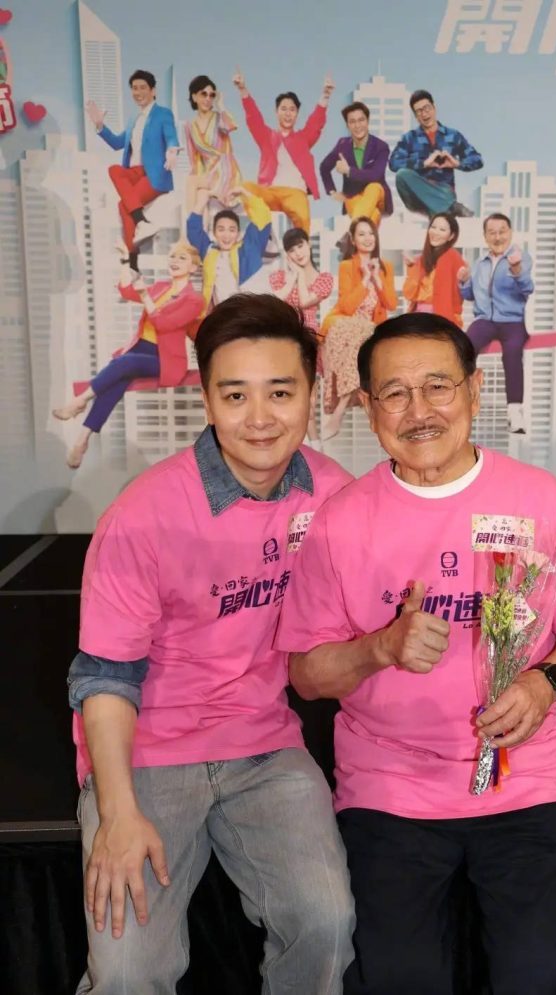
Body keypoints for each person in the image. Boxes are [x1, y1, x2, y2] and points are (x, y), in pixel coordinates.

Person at [276, 312, 556, 995]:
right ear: (369, 407)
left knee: (541, 977)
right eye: (395, 392)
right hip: (390, 790)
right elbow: (307, 677)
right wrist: (380, 647)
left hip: (525, 783)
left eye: (438, 385)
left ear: (474, 389)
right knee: (399, 979)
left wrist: (544, 683)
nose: (419, 410)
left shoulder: (537, 497)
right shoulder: (340, 520)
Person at [67, 293, 356, 995]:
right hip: (148, 754)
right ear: (206, 399)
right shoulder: (143, 515)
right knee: (127, 972)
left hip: (264, 745)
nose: (259, 418)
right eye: (235, 394)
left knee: (325, 924)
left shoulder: (334, 495)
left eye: (280, 392)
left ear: (311, 393)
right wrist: (118, 812)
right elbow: (105, 676)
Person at [53, 240, 204, 470]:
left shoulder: (194, 300)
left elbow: (163, 324)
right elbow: (126, 290)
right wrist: (125, 260)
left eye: (182, 258)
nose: (174, 261)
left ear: (193, 267)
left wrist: (145, 295)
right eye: (173, 256)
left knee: (125, 363)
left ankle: (79, 400)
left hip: (165, 359)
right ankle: (82, 439)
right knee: (116, 382)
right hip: (139, 349)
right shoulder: (160, 287)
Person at [320, 216, 397, 440]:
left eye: (371, 233)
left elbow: (391, 303)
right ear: (353, 240)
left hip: (371, 328)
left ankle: (340, 409)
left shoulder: (386, 267)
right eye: (361, 234)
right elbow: (347, 306)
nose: (367, 238)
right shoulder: (346, 266)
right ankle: (344, 407)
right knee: (351, 335)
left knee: (364, 337)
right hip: (346, 324)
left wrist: (377, 278)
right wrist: (364, 279)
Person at [86, 69, 180, 251]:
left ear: (153, 90)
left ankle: (132, 258)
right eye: (134, 88)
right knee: (114, 170)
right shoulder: (133, 120)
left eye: (143, 87)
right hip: (133, 173)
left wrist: (172, 150)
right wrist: (99, 125)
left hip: (153, 175)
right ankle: (141, 225)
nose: (138, 92)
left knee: (124, 206)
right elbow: (117, 143)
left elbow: (171, 135)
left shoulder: (163, 114)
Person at [459, 212, 534, 434]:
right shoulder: (479, 263)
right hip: (485, 320)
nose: (498, 237)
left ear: (510, 233)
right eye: (492, 232)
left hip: (512, 320)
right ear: (485, 236)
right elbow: (470, 295)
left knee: (512, 353)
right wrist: (463, 282)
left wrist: (517, 270)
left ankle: (515, 411)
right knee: (464, 348)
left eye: (502, 231)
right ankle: (464, 401)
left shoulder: (521, 258)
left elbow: (527, 288)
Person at [233, 69, 334, 234]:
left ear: (297, 114)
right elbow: (254, 118)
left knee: (303, 218)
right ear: (276, 111)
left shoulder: (303, 138)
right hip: (270, 192)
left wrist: (326, 95)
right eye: (284, 109)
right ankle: (262, 233)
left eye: (292, 110)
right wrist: (243, 90)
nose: (288, 113)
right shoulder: (267, 136)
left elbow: (316, 123)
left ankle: (303, 248)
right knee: (246, 188)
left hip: (295, 193)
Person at [270, 228, 334, 444]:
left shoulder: (324, 279)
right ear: (287, 254)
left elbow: (305, 302)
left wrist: (299, 275)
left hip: (308, 339)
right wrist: (294, 275)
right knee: (287, 395)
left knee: (307, 397)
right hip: (282, 340)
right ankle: (307, 445)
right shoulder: (280, 277)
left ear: (309, 244)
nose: (298, 253)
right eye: (292, 250)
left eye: (300, 246)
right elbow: (277, 301)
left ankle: (314, 447)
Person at [389, 89, 482, 219]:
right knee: (402, 175)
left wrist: (457, 164)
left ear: (434, 108)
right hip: (417, 196)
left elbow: (477, 160)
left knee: (439, 221)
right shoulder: (409, 138)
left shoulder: (453, 135)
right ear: (415, 116)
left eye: (427, 108)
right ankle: (450, 207)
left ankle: (444, 209)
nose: (424, 114)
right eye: (419, 111)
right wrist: (423, 163)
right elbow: (393, 163)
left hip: (442, 192)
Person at [187, 183, 272, 311]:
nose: (226, 235)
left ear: (238, 233)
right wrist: (203, 199)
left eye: (232, 230)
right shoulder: (209, 252)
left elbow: (262, 217)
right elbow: (193, 229)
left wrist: (243, 192)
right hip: (223, 314)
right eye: (221, 229)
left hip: (251, 311)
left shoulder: (249, 248)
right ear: (214, 233)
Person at [319, 101, 392, 231]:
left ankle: (351, 233)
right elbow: (324, 167)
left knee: (373, 187)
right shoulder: (342, 145)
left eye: (361, 120)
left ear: (367, 121)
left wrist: (349, 171)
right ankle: (353, 235)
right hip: (353, 197)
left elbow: (376, 175)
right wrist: (332, 192)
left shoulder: (381, 146)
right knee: (373, 216)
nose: (357, 125)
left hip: (378, 197)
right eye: (352, 122)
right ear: (347, 125)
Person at [184, 73, 244, 214]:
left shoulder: (219, 117)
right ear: (194, 97)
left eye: (211, 95)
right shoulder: (189, 126)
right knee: (200, 195)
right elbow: (195, 159)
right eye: (203, 94)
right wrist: (200, 179)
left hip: (226, 170)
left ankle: (187, 227)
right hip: (209, 174)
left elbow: (231, 126)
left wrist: (220, 105)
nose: (208, 99)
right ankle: (196, 227)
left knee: (191, 181)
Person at [403, 212, 465, 325]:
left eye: (442, 229)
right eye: (433, 227)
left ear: (451, 236)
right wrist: (412, 268)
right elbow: (409, 294)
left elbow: (459, 295)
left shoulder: (453, 256)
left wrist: (454, 319)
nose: (436, 232)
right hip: (418, 315)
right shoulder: (420, 260)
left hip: (441, 318)